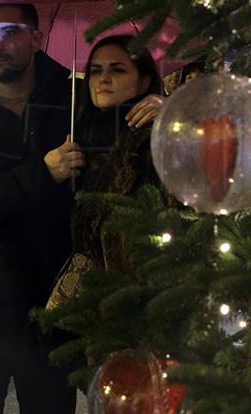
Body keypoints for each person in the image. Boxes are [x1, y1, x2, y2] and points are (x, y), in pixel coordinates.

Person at [0, 4, 163, 414]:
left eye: (11, 32)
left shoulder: (75, 102)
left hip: (54, 315)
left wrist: (162, 105)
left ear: (36, 37)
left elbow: (129, 125)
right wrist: (39, 175)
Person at [48, 35, 166, 308]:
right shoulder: (77, 132)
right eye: (96, 70)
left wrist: (173, 110)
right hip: (76, 298)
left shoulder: (154, 139)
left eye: (118, 69)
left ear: (145, 81)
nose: (103, 78)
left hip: (135, 298)